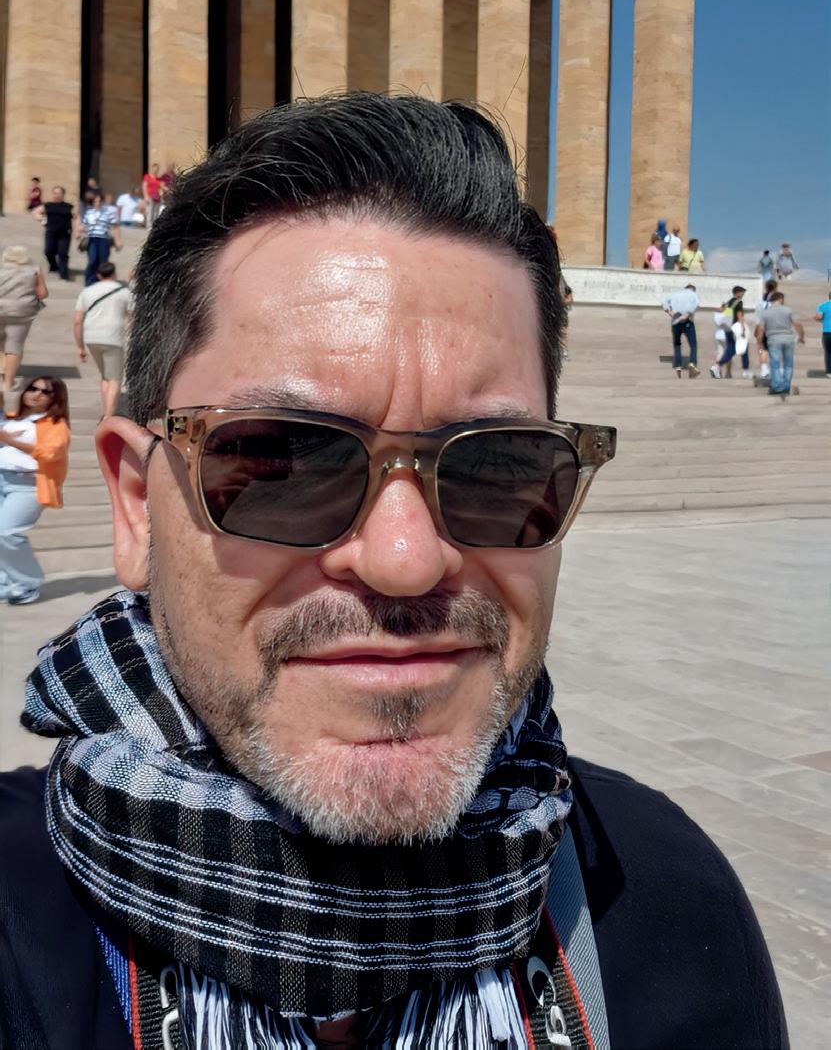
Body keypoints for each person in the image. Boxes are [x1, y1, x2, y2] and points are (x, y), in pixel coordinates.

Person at [0, 96, 787, 1050]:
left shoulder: (664, 902)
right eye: (283, 460)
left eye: (496, 464)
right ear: (135, 505)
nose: (406, 560)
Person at [0, 375, 70, 605]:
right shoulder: (12, 418)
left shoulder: (56, 426)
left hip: (28, 485)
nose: (36, 394)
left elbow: (50, 453)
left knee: (6, 532)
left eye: (45, 391)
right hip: (2, 477)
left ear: (55, 398)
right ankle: (6, 583)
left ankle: (27, 584)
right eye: (32, 388)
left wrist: (10, 440)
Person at [74, 261, 134, 417]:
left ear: (98, 275)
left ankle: (107, 410)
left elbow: (78, 320)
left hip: (91, 337)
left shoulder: (87, 291)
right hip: (114, 337)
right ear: (114, 274)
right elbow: (132, 318)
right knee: (114, 378)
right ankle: (108, 415)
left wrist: (80, 346)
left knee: (105, 376)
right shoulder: (124, 292)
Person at [0, 246, 47, 409]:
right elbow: (42, 293)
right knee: (14, 346)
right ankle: (8, 383)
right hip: (21, 312)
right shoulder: (34, 270)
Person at [756, 292, 804, 400]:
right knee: (788, 364)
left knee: (775, 364)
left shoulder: (765, 312)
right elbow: (797, 324)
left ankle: (777, 387)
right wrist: (801, 336)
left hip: (773, 340)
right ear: (780, 299)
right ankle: (786, 387)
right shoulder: (788, 310)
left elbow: (760, 328)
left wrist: (759, 342)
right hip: (788, 339)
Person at [78, 190, 122, 286]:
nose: (97, 203)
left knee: (103, 262)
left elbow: (115, 227)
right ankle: (89, 283)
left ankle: (102, 282)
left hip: (104, 240)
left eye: (99, 201)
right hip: (92, 239)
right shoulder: (89, 213)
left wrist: (118, 241)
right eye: (95, 201)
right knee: (92, 261)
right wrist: (79, 230)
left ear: (102, 202)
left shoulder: (108, 212)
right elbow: (83, 225)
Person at [35, 184, 74, 280]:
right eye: (55, 193)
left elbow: (76, 217)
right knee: (48, 251)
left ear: (63, 195)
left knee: (62, 253)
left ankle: (64, 274)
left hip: (64, 233)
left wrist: (77, 230)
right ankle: (54, 266)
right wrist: (41, 219)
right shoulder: (48, 205)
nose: (57, 195)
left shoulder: (68, 206)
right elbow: (36, 211)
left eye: (59, 193)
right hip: (51, 232)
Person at [661, 282, 700, 378]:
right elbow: (696, 305)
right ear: (693, 290)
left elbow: (664, 301)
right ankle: (692, 363)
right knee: (693, 344)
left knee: (677, 344)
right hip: (687, 322)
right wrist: (687, 314)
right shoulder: (693, 294)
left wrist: (670, 312)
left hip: (675, 321)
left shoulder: (675, 294)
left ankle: (678, 366)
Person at [710, 286, 747, 380]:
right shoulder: (738, 302)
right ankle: (718, 366)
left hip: (728, 328)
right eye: (742, 292)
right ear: (737, 292)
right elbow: (739, 315)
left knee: (730, 348)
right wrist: (742, 328)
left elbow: (724, 312)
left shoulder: (729, 302)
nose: (743, 294)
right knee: (734, 349)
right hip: (735, 328)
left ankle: (718, 367)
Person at [754, 279, 779, 382]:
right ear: (776, 288)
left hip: (762, 328)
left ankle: (764, 370)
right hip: (774, 329)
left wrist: (756, 331)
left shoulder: (761, 303)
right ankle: (774, 371)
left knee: (763, 349)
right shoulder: (776, 302)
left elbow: (758, 319)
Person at [814, 295, 831, 377]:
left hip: (827, 332)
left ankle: (829, 372)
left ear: (829, 297)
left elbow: (819, 317)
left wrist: (821, 320)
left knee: (828, 352)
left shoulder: (823, 306)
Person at [142, 162, 162, 226]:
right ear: (152, 169)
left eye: (157, 169)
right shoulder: (147, 177)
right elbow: (144, 187)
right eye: (155, 169)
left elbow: (160, 188)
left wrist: (161, 196)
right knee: (150, 212)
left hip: (157, 197)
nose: (156, 170)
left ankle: (154, 226)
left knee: (156, 213)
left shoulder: (158, 179)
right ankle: (149, 227)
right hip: (150, 197)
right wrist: (146, 196)